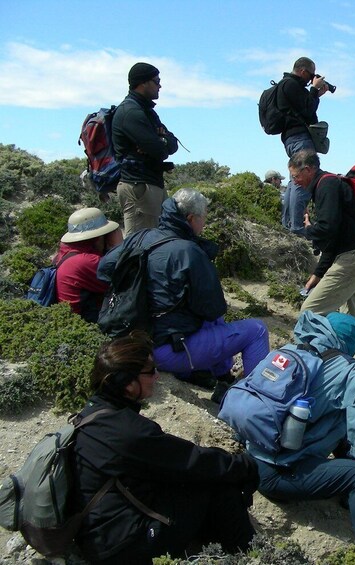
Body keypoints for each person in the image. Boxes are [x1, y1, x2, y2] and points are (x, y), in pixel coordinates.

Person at [72, 331, 259, 564]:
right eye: (150, 372)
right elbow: (194, 461)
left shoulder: (91, 415)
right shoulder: (130, 432)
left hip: (100, 533)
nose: (157, 377)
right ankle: (254, 556)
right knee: (221, 488)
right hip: (122, 545)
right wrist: (246, 465)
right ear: (128, 385)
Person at [236, 310, 355, 565]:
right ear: (350, 344)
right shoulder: (351, 372)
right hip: (280, 477)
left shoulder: (291, 350)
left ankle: (349, 489)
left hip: (252, 458)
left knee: (337, 413)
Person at [98, 188, 269, 402]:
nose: (204, 223)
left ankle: (222, 379)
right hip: (167, 351)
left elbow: (104, 268)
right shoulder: (189, 252)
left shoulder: (141, 236)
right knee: (256, 330)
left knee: (208, 320)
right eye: (203, 217)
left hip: (134, 342)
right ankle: (256, 400)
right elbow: (213, 308)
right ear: (190, 218)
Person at [288, 149, 355, 369]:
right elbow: (335, 237)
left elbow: (328, 230)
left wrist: (308, 229)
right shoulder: (329, 184)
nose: (295, 182)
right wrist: (318, 273)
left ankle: (307, 366)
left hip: (354, 257)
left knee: (310, 311)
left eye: (296, 177)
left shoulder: (326, 186)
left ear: (308, 170)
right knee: (354, 318)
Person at [112, 62, 179, 235]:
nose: (160, 86)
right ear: (143, 83)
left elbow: (172, 144)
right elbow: (160, 150)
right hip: (138, 188)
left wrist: (160, 140)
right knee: (139, 246)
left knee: (158, 241)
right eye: (156, 81)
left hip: (151, 184)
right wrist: (159, 142)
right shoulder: (131, 112)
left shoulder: (146, 111)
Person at [276, 57, 330, 234]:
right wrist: (313, 89)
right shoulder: (291, 85)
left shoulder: (287, 86)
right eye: (311, 75)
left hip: (291, 138)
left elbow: (306, 108)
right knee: (303, 180)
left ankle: (288, 226)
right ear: (302, 71)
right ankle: (297, 228)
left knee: (295, 181)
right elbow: (307, 111)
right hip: (299, 138)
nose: (311, 79)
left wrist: (316, 95)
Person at [55, 208, 123, 322]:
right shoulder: (86, 261)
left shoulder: (65, 254)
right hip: (84, 321)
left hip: (71, 317)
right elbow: (123, 280)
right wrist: (118, 246)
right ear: (97, 237)